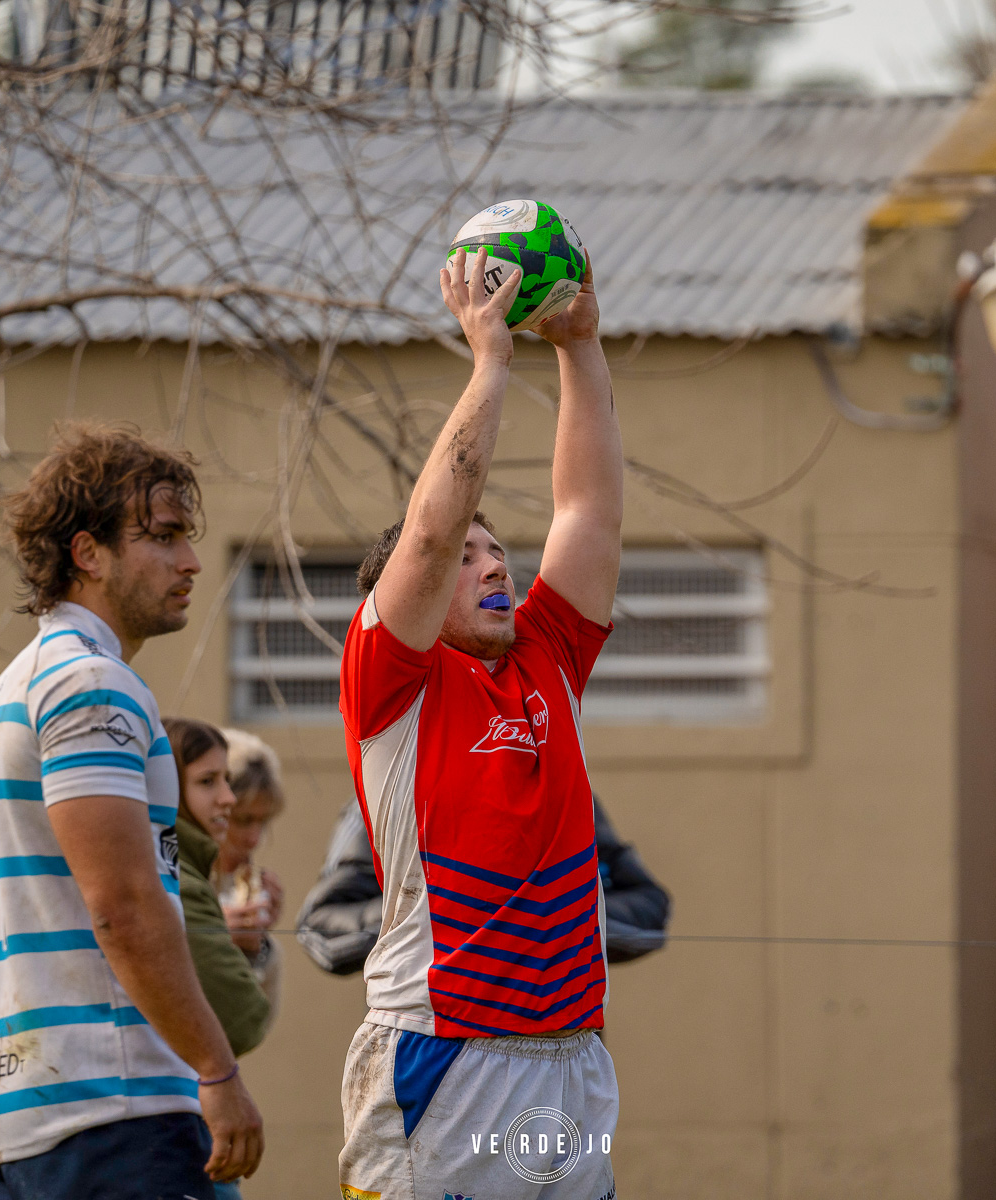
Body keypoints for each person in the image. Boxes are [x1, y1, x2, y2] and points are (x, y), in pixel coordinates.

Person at [335, 247, 624, 1200]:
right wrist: (490, 361)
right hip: (442, 1052)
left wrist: (579, 350)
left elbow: (588, 511)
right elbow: (425, 531)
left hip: (569, 1058)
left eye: (499, 551)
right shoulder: (392, 683)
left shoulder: (546, 653)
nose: (494, 565)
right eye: (471, 558)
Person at [0, 423, 263, 1200]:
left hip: (28, 1118)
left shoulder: (14, 686)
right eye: (163, 538)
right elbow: (123, 905)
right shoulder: (89, 683)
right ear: (87, 552)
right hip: (117, 1111)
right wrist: (216, 1067)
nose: (191, 561)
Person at [297, 796, 670, 976]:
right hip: (430, 1061)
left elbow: (649, 909)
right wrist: (431, 912)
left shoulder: (564, 792)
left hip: (556, 1061)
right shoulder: (388, 793)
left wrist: (559, 914)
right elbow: (318, 924)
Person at [163, 717, 276, 1200]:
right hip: (168, 1125)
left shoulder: (192, 875)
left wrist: (256, 945)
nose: (228, 803)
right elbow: (244, 1015)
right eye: (208, 783)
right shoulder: (173, 881)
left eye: (226, 782)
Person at [213, 730, 287, 1025]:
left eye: (263, 821)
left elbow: (251, 1026)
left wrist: (258, 947)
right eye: (243, 820)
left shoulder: (235, 883)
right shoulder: (168, 871)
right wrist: (210, 934)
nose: (254, 838)